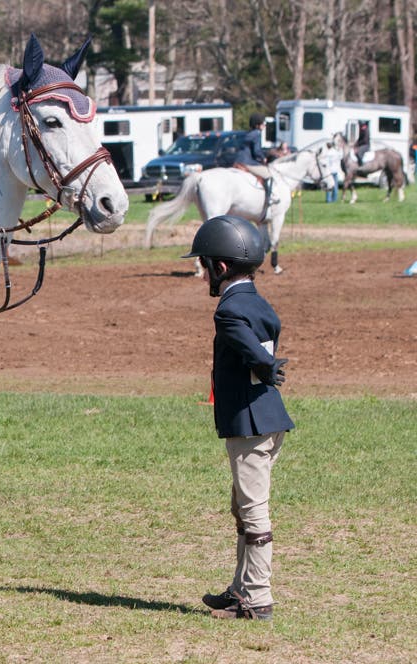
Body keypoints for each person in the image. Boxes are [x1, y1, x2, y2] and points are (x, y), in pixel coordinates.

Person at [181, 215, 295, 621]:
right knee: (241, 507)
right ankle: (240, 588)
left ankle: (258, 599)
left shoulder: (228, 310)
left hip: (250, 425)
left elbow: (250, 347)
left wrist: (265, 365)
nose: (203, 272)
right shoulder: (259, 301)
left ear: (221, 267)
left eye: (205, 264)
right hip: (269, 420)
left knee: (253, 512)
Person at [235, 113, 274, 210]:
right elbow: (256, 151)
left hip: (239, 159)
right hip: (247, 162)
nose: (264, 125)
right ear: (257, 125)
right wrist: (263, 158)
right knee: (268, 175)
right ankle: (269, 198)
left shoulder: (249, 133)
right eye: (263, 123)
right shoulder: (257, 134)